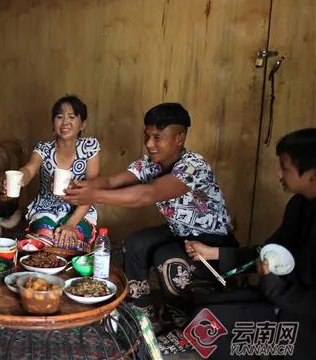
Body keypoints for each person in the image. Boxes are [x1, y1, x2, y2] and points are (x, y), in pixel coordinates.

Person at [64, 102, 237, 321]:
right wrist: (79, 187)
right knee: (135, 243)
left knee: (166, 258)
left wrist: (93, 196)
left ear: (180, 138)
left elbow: (148, 194)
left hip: (211, 240)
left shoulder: (194, 166)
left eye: (157, 138)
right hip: (179, 232)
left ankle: (180, 320)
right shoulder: (150, 164)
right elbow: (110, 182)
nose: (149, 144)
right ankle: (141, 314)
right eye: (147, 136)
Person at [182, 128, 316, 359]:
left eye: (285, 168)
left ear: (312, 175)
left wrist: (273, 286)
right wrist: (214, 253)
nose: (278, 174)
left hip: (304, 325)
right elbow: (269, 253)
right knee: (200, 309)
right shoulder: (299, 205)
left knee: (204, 329)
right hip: (278, 298)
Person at [9, 95, 101, 249]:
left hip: (79, 210)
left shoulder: (90, 147)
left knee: (70, 242)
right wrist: (18, 178)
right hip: (45, 209)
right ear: (53, 122)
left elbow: (91, 189)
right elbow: (29, 169)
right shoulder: (43, 148)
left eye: (71, 117)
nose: (65, 122)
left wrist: (71, 224)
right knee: (45, 241)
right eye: (59, 117)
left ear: (83, 124)